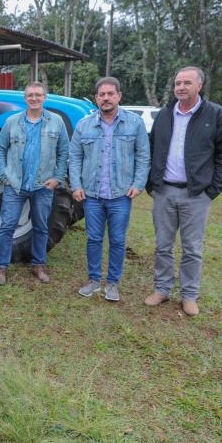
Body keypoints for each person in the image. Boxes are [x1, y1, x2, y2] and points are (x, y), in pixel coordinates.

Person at [144, 67, 222, 317]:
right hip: (164, 192)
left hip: (196, 195)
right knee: (163, 245)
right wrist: (151, 184)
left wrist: (212, 190)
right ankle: (162, 289)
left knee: (192, 249)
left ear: (199, 86)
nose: (181, 87)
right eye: (177, 83)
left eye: (186, 83)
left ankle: (189, 295)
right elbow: (152, 149)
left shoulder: (216, 115)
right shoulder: (165, 114)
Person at [69, 77, 150, 302]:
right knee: (93, 239)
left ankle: (113, 283)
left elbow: (143, 155)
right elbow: (74, 157)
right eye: (101, 95)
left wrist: (138, 183)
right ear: (96, 98)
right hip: (92, 196)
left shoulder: (134, 123)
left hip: (121, 195)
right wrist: (76, 185)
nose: (106, 98)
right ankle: (94, 280)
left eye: (110, 94)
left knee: (117, 240)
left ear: (119, 96)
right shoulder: (84, 125)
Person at [0, 81, 69, 285]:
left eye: (38, 95)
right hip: (15, 185)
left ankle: (38, 265)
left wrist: (57, 178)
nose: (34, 98)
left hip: (43, 185)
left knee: (41, 227)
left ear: (45, 97)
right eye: (30, 95)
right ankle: (1, 267)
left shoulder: (57, 122)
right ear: (25, 98)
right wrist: (3, 174)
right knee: (7, 226)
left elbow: (64, 152)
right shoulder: (12, 122)